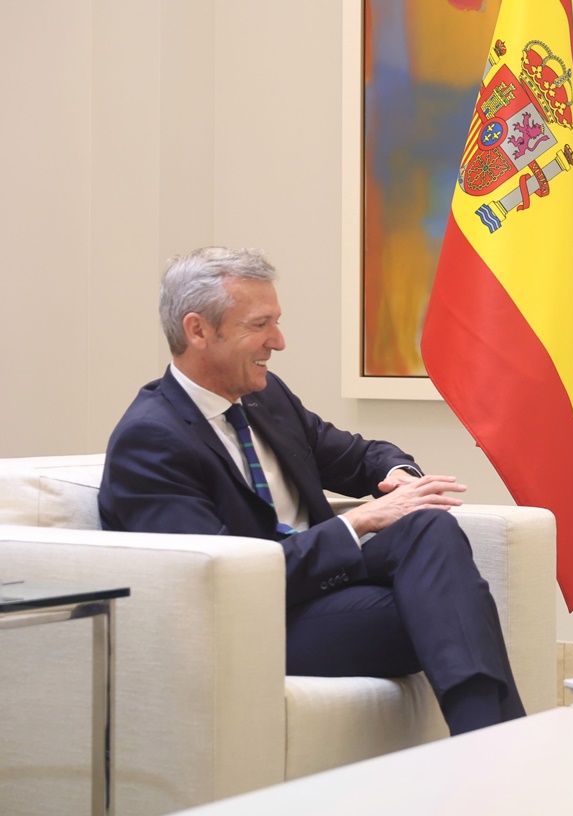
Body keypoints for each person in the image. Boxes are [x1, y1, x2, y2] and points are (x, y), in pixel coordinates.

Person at [99, 246, 524, 733]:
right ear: (198, 330)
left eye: (275, 322)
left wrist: (399, 476)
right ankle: (500, 745)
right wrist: (357, 521)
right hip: (256, 622)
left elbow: (359, 455)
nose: (277, 341)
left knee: (429, 525)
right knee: (454, 608)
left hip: (321, 590)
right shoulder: (150, 440)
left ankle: (489, 745)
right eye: (259, 325)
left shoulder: (265, 396)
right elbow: (217, 581)